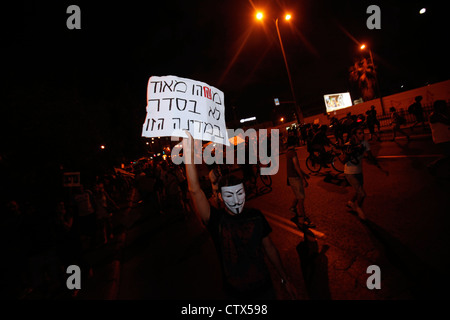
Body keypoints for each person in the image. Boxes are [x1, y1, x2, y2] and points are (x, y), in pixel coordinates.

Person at [182, 132, 296, 299]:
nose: (236, 201)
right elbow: (194, 190)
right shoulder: (216, 220)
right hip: (236, 294)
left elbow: (270, 247)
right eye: (229, 196)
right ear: (220, 197)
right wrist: (187, 148)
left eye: (240, 193)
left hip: (265, 289)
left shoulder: (256, 216)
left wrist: (285, 279)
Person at [344, 127, 386, 221]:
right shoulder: (348, 145)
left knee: (358, 189)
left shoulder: (365, 143)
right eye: (359, 133)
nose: (362, 134)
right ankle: (358, 208)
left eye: (362, 132)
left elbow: (370, 156)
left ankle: (350, 202)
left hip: (359, 171)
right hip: (349, 173)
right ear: (354, 135)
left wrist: (378, 166)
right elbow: (343, 160)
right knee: (362, 194)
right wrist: (348, 153)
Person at [286, 135, 314, 228]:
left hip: (291, 177)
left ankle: (292, 207)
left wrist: (304, 174)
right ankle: (303, 219)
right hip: (295, 178)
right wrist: (303, 179)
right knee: (301, 198)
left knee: (298, 195)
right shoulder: (293, 153)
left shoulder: (288, 152)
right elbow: (296, 167)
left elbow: (294, 167)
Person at [427, 100, 450, 175]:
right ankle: (433, 165)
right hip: (441, 138)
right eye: (443, 105)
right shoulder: (434, 115)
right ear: (437, 107)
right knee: (448, 155)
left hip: (446, 137)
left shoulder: (440, 114)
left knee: (447, 155)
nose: (445, 106)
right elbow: (447, 121)